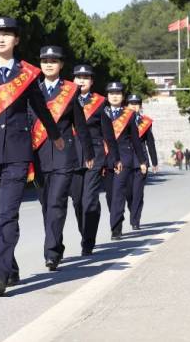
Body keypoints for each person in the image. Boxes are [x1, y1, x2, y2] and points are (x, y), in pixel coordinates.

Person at [0, 17, 64, 296]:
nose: (1, 38)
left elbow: (41, 109)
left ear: (16, 40)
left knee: (8, 213)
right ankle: (10, 266)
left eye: (7, 34)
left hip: (17, 154)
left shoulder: (27, 74)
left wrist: (55, 136)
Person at [32, 46, 94, 271]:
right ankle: (56, 246)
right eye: (44, 60)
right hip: (38, 156)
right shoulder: (33, 90)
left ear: (61, 65)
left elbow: (80, 124)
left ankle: (50, 253)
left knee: (57, 202)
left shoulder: (70, 91)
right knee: (46, 205)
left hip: (63, 155)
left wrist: (88, 152)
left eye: (53, 60)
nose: (48, 64)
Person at [69, 64, 121, 256]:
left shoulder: (101, 103)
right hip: (72, 155)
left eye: (86, 77)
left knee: (89, 199)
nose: (81, 80)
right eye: (78, 77)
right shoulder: (64, 99)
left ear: (92, 81)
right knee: (76, 201)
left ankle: (88, 241)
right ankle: (85, 232)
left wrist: (114, 158)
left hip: (95, 156)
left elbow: (108, 134)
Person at [103, 82, 146, 240]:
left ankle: (116, 229)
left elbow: (135, 140)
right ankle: (117, 218)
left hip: (124, 158)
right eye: (111, 93)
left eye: (118, 93)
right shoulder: (102, 112)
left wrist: (142, 161)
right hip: (106, 158)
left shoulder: (129, 115)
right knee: (110, 195)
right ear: (107, 96)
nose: (115, 96)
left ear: (122, 96)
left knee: (119, 193)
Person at [125, 94, 158, 230]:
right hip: (125, 159)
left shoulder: (145, 122)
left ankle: (135, 219)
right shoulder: (121, 120)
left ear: (140, 106)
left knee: (138, 191)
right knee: (128, 193)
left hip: (141, 161)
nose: (133, 105)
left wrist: (154, 162)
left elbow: (150, 143)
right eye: (131, 103)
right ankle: (133, 212)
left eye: (136, 103)